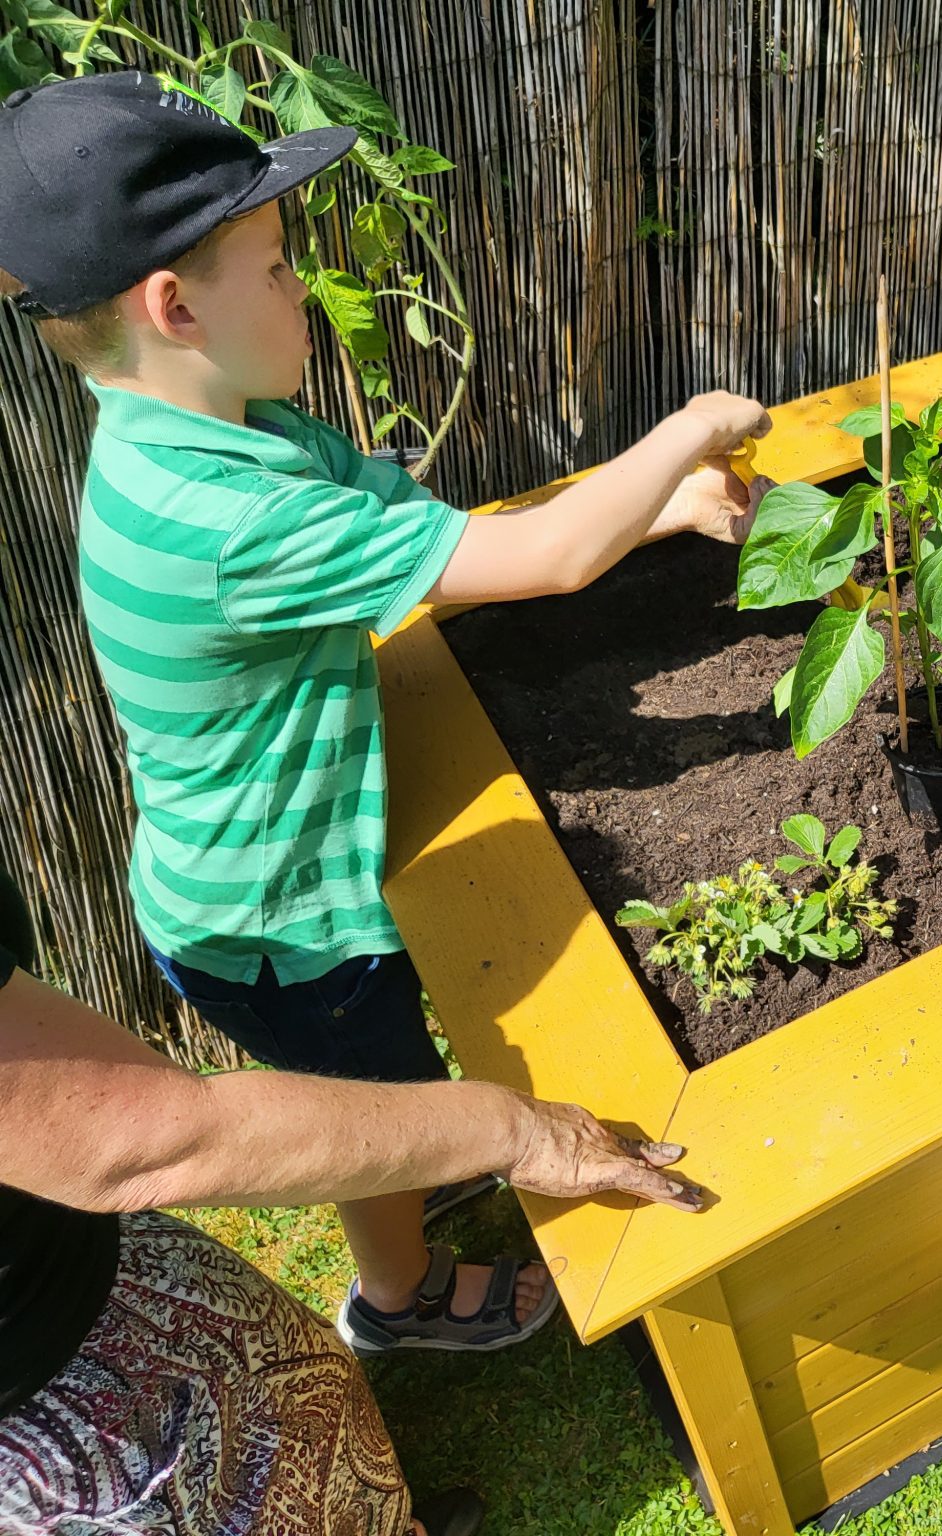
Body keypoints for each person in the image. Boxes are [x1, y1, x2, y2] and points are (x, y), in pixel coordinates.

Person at [0, 73, 766, 1356]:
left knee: (391, 1086)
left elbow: (447, 545)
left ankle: (415, 1183)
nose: (304, 291)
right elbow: (550, 560)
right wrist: (687, 432)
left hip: (232, 879)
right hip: (281, 924)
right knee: (373, 1108)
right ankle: (397, 1297)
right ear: (173, 306)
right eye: (279, 267)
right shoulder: (227, 518)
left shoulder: (221, 441)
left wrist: (666, 510)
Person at [0, 859, 701, 1534]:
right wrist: (515, 1132)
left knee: (297, 1416)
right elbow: (148, 1141)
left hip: (72, 1255)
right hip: (45, 1389)